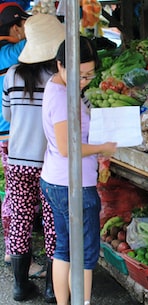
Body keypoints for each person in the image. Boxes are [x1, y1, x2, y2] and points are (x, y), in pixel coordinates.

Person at [40, 36, 117, 305]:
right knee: (84, 253)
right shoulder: (62, 97)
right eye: (79, 75)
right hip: (72, 185)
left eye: (88, 76)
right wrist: (102, 146)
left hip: (56, 180)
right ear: (60, 65)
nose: (83, 82)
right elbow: (67, 147)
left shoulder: (56, 85)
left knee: (64, 249)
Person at [2, 13, 65, 302]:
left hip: (17, 161)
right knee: (53, 221)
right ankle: (53, 289)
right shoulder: (58, 78)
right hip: (50, 162)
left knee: (20, 219)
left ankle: (19, 287)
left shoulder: (11, 75)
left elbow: (8, 116)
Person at [0, 0, 27, 266]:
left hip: (3, 133)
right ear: (16, 26)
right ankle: (15, 253)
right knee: (16, 198)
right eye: (24, 24)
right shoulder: (12, 50)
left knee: (13, 195)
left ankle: (13, 249)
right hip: (9, 134)